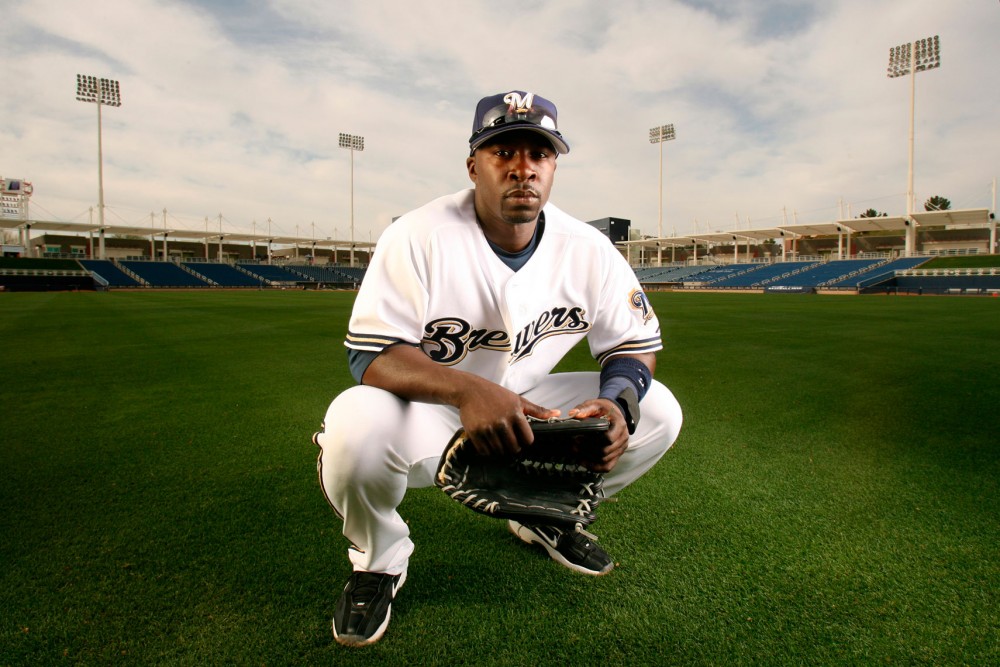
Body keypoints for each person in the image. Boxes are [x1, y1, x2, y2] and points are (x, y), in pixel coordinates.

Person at [313, 90, 683, 647]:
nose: (522, 168)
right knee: (354, 424)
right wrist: (467, 391)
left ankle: (543, 513)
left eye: (539, 154)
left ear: (553, 167)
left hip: (532, 405)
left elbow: (632, 345)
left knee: (658, 411)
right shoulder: (417, 235)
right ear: (473, 167)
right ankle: (379, 559)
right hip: (431, 407)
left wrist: (618, 403)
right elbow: (371, 353)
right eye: (503, 152)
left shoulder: (589, 249)